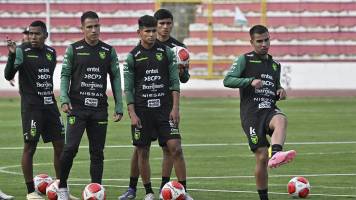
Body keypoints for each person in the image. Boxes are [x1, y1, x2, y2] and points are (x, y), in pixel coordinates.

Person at [119, 9, 193, 200]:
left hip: (164, 108)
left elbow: (180, 80)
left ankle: (171, 189)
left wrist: (182, 72)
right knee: (141, 149)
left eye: (168, 23)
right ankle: (139, 189)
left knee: (173, 147)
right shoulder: (135, 54)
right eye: (160, 25)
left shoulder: (174, 49)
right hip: (143, 110)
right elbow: (129, 86)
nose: (163, 28)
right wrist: (131, 112)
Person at [223, 25, 296, 200]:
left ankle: (277, 152)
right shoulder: (244, 60)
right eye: (260, 41)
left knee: (281, 119)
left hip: (269, 108)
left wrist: (280, 90)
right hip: (252, 115)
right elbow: (227, 80)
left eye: (267, 40)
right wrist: (249, 81)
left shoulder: (275, 64)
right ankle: (264, 197)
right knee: (262, 156)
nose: (264, 44)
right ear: (252, 42)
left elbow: (275, 86)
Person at [57, 11, 123, 200]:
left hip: (99, 110)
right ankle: (62, 187)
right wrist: (64, 99)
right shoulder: (74, 49)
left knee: (97, 152)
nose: (94, 30)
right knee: (70, 149)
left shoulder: (108, 51)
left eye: (97, 26)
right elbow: (65, 76)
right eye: (90, 27)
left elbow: (116, 79)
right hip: (76, 108)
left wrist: (119, 105)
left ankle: (96, 189)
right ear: (82, 29)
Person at [4, 20, 66, 200]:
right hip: (32, 108)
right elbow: (8, 75)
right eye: (30, 33)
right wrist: (12, 56)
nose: (32, 37)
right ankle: (31, 191)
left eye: (37, 34)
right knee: (30, 147)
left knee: (60, 145)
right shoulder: (21, 51)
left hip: (50, 106)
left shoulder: (51, 53)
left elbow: (45, 77)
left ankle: (61, 189)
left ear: (45, 35)